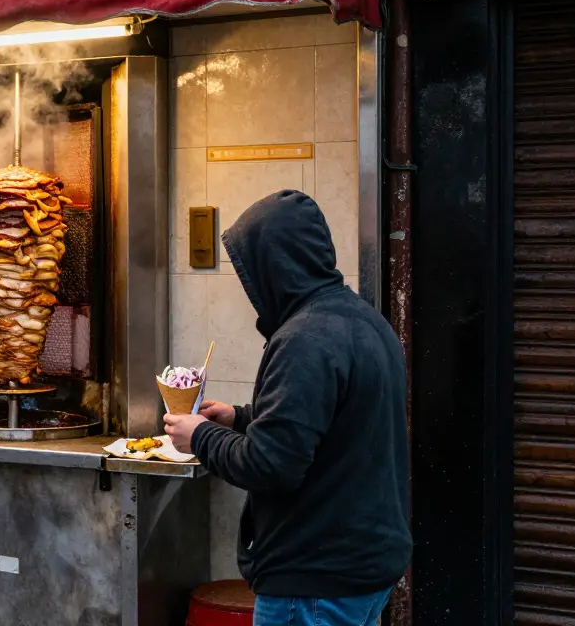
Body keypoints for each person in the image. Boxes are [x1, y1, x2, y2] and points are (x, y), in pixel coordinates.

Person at [163, 190, 411, 626]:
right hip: (363, 565)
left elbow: (271, 465)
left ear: (272, 267)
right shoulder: (364, 320)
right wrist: (241, 418)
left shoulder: (304, 339)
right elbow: (335, 423)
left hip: (315, 579)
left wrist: (199, 436)